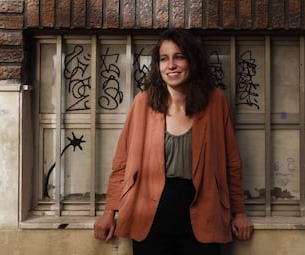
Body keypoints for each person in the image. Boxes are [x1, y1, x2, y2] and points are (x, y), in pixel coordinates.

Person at [94, 29, 253, 255]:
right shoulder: (143, 103)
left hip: (204, 212)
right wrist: (109, 213)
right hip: (150, 213)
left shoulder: (215, 102)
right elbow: (121, 162)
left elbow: (231, 163)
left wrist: (239, 213)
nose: (171, 65)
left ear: (192, 61)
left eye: (179, 57)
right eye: (163, 59)